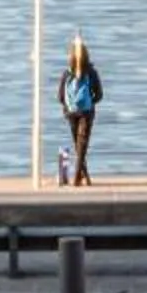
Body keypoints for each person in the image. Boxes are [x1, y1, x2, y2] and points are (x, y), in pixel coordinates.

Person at [58, 36, 103, 186]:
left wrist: (68, 106)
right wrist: (90, 101)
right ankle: (79, 176)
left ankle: (83, 175)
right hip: (87, 112)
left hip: (71, 112)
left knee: (79, 146)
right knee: (82, 145)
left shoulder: (67, 73)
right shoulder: (92, 72)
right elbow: (99, 95)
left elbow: (60, 97)